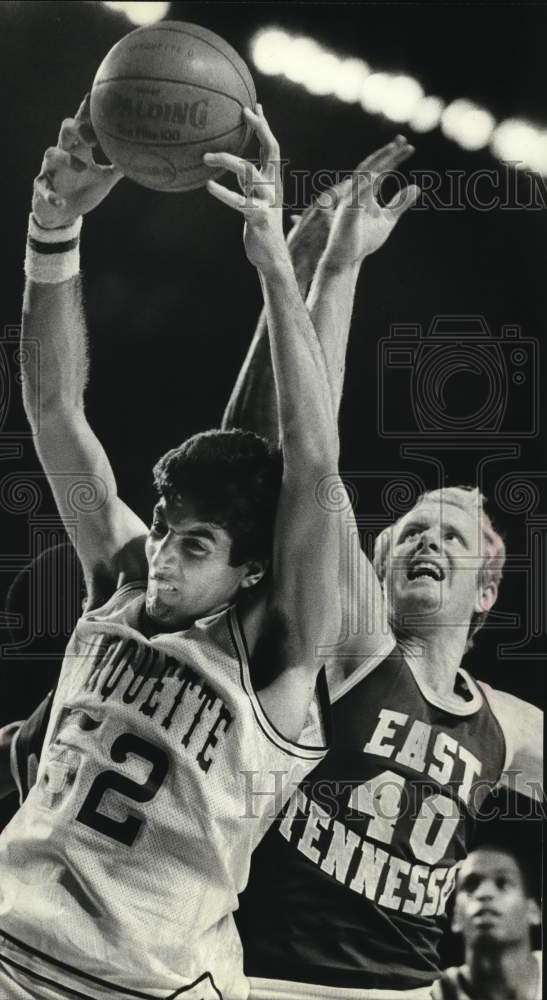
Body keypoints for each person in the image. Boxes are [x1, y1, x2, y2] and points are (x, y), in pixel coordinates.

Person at [0, 99, 343, 1000]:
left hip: (146, 988)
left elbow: (315, 463)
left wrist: (273, 264)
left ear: (251, 568)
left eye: (195, 543)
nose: (164, 551)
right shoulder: (124, 577)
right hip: (1, 959)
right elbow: (56, 413)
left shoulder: (278, 652)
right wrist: (51, 227)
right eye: (166, 526)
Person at [221, 151, 543, 996]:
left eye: (449, 534)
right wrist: (338, 264)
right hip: (273, 979)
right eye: (404, 532)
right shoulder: (358, 641)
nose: (422, 541)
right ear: (373, 564)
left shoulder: (506, 726)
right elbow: (309, 453)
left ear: (486, 591)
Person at [432, 847, 541, 999]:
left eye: (502, 883)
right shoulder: (431, 994)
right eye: (471, 885)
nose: (484, 893)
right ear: (456, 916)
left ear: (533, 911)